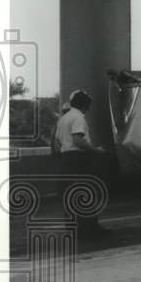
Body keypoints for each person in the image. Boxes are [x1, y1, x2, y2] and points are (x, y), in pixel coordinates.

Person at [52, 89, 106, 233]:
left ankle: (72, 228)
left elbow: (57, 141)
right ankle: (90, 228)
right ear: (85, 105)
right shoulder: (78, 117)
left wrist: (63, 155)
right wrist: (95, 150)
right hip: (78, 159)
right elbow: (78, 139)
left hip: (66, 159)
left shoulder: (64, 118)